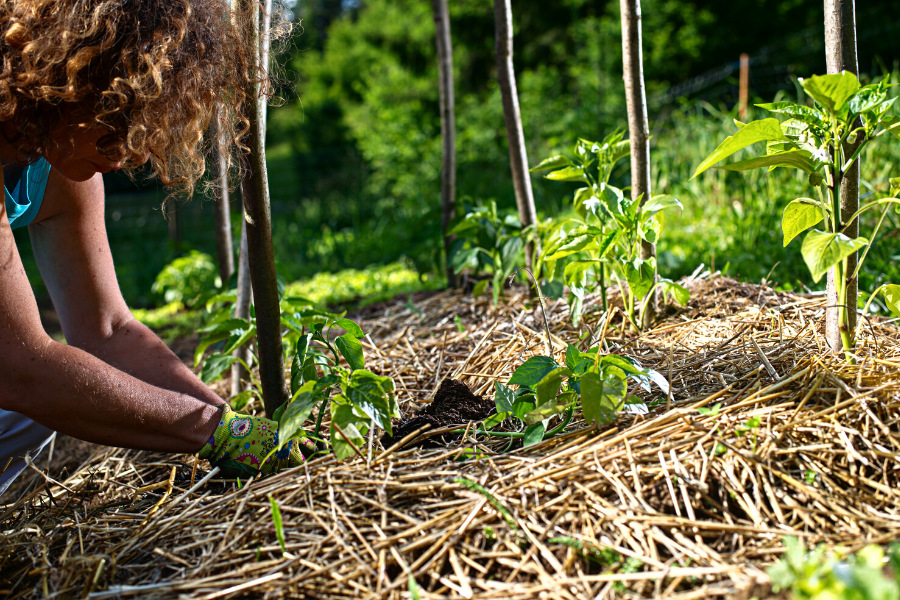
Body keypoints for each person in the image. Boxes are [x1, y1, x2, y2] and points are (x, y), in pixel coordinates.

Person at [0, 0, 311, 496]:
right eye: (122, 117)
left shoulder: (56, 171)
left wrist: (226, 421)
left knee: (22, 418)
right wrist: (211, 433)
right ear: (68, 82)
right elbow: (20, 368)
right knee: (27, 399)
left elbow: (107, 330)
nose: (138, 151)